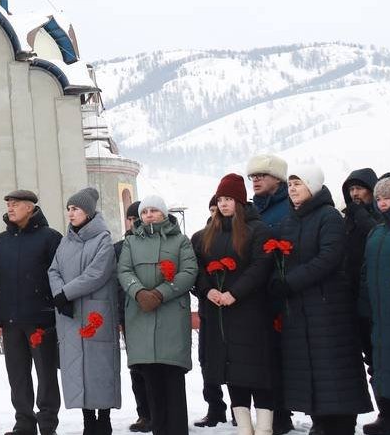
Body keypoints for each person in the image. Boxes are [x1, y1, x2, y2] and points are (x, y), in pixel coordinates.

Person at [270, 166, 372, 435]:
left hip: (329, 306)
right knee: (309, 366)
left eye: (298, 184)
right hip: (299, 308)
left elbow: (329, 257)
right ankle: (320, 420)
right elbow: (281, 257)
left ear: (312, 187)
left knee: (334, 365)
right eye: (290, 184)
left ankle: (341, 423)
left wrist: (291, 282)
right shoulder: (290, 221)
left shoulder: (329, 217)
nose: (292, 189)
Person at [191, 174, 277, 435]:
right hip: (219, 314)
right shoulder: (206, 234)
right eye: (220, 199)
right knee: (232, 372)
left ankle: (264, 428)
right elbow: (198, 267)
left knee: (257, 371)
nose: (224, 204)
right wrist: (208, 291)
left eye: (229, 199)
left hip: (251, 312)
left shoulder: (258, 230)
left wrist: (234, 293)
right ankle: (244, 428)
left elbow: (260, 266)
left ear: (239, 201)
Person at [117, 195, 197, 435]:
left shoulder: (181, 241)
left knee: (172, 378)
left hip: (171, 316)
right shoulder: (131, 243)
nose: (148, 215)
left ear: (163, 213)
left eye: (153, 210)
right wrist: (139, 292)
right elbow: (124, 270)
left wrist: (161, 294)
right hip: (140, 316)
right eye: (144, 212)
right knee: (150, 380)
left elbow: (189, 271)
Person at [0, 190, 62, 435]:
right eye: (8, 203)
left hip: (41, 318)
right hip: (10, 319)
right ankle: (24, 423)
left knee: (46, 373)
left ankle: (47, 423)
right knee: (17, 375)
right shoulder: (1, 241)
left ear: (30, 207)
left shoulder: (50, 238)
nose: (10, 207)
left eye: (15, 204)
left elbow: (59, 277)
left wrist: (55, 309)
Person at [49, 188, 121, 435]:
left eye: (75, 209)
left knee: (99, 367)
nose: (70, 214)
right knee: (76, 367)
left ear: (88, 213)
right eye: (69, 209)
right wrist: (60, 293)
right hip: (70, 314)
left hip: (95, 313)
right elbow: (53, 270)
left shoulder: (103, 239)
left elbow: (97, 273)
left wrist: (64, 293)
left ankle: (104, 418)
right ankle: (88, 420)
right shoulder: (65, 240)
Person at [247, 154, 294, 435]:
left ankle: (285, 412)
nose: (256, 180)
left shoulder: (289, 208)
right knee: (267, 360)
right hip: (259, 296)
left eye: (261, 176)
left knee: (288, 357)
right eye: (252, 177)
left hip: (286, 294)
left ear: (277, 178)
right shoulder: (252, 211)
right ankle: (277, 413)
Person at [343, 169, 389, 422]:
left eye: (360, 188)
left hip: (381, 301)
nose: (355, 194)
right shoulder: (347, 220)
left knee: (387, 360)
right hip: (356, 301)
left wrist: (360, 214)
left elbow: (378, 238)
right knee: (371, 361)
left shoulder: (382, 217)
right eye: (351, 190)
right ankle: (386, 412)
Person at [362, 174, 390, 435]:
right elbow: (366, 271)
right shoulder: (376, 232)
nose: (383, 202)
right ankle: (388, 414)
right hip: (379, 310)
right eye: (378, 198)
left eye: (388, 197)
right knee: (383, 363)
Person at [193, 198, 229, 430]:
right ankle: (215, 407)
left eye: (220, 209)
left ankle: (239, 409)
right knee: (208, 360)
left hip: (235, 305)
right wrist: (206, 289)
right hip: (209, 306)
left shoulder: (238, 234)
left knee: (236, 361)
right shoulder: (199, 238)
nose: (216, 213)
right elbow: (194, 270)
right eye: (212, 210)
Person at [116, 202, 151, 434]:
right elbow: (116, 284)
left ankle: (160, 411)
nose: (133, 222)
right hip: (130, 314)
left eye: (136, 217)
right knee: (136, 367)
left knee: (157, 368)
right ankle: (144, 414)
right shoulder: (118, 247)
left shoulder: (154, 244)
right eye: (130, 218)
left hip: (155, 310)